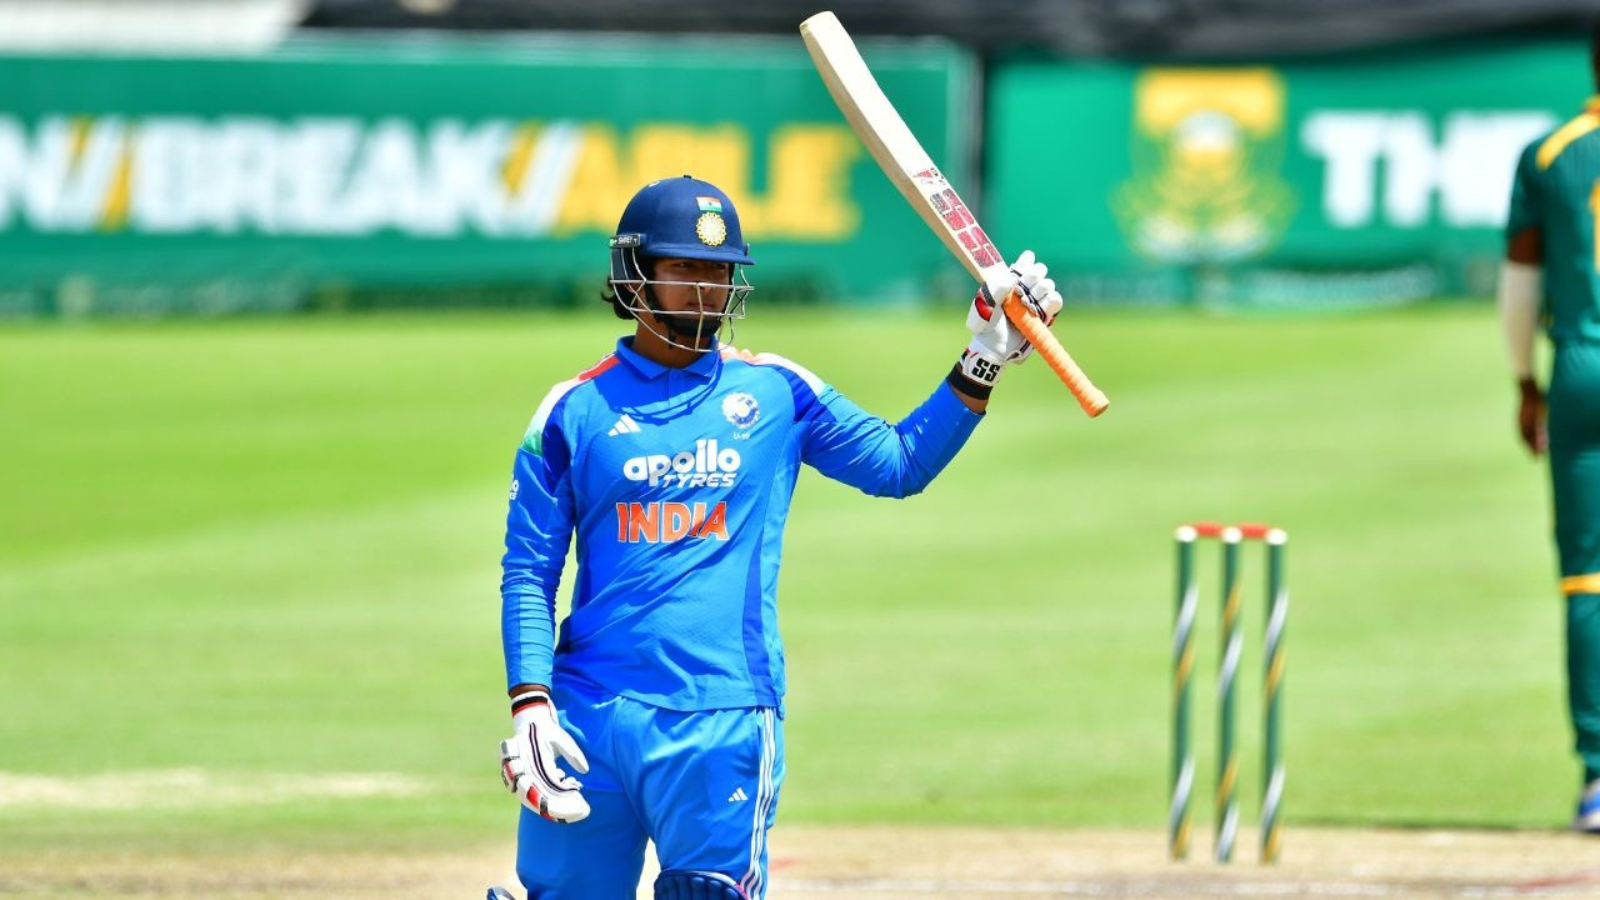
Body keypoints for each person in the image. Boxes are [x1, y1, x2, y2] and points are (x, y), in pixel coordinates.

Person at [491, 174, 1063, 899]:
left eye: (719, 271)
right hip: (588, 719)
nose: (706, 290)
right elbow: (528, 573)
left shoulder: (775, 390)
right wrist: (531, 701)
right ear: (633, 273)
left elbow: (899, 463)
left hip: (722, 717)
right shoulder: (572, 410)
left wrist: (983, 357)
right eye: (684, 268)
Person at [1501, 25, 1600, 834]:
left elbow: (1519, 286)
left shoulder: (1550, 153)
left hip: (1581, 367)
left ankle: (1599, 778)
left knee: (1589, 577)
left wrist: (1525, 384)